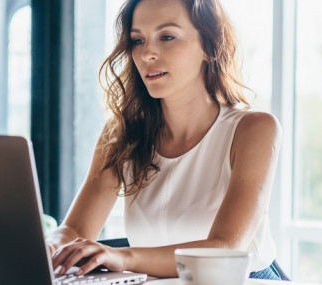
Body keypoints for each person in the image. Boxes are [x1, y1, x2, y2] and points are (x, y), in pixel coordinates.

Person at [45, 0, 283, 280]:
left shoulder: (253, 129)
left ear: (208, 45)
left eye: (167, 37)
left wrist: (123, 257)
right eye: (137, 40)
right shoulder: (121, 134)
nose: (147, 53)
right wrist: (48, 248)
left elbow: (225, 249)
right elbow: (73, 231)